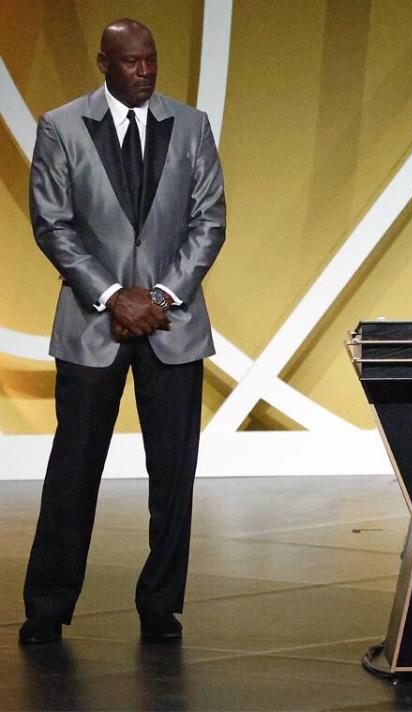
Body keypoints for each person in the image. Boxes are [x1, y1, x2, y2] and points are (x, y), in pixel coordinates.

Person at [19, 18, 226, 644]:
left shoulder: (191, 126)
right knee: (73, 471)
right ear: (104, 62)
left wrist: (160, 296)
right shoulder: (60, 126)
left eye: (152, 59)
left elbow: (208, 220)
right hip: (92, 325)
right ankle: (48, 607)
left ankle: (160, 602)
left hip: (173, 322)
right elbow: (53, 224)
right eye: (132, 61)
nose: (145, 70)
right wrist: (113, 296)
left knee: (174, 475)